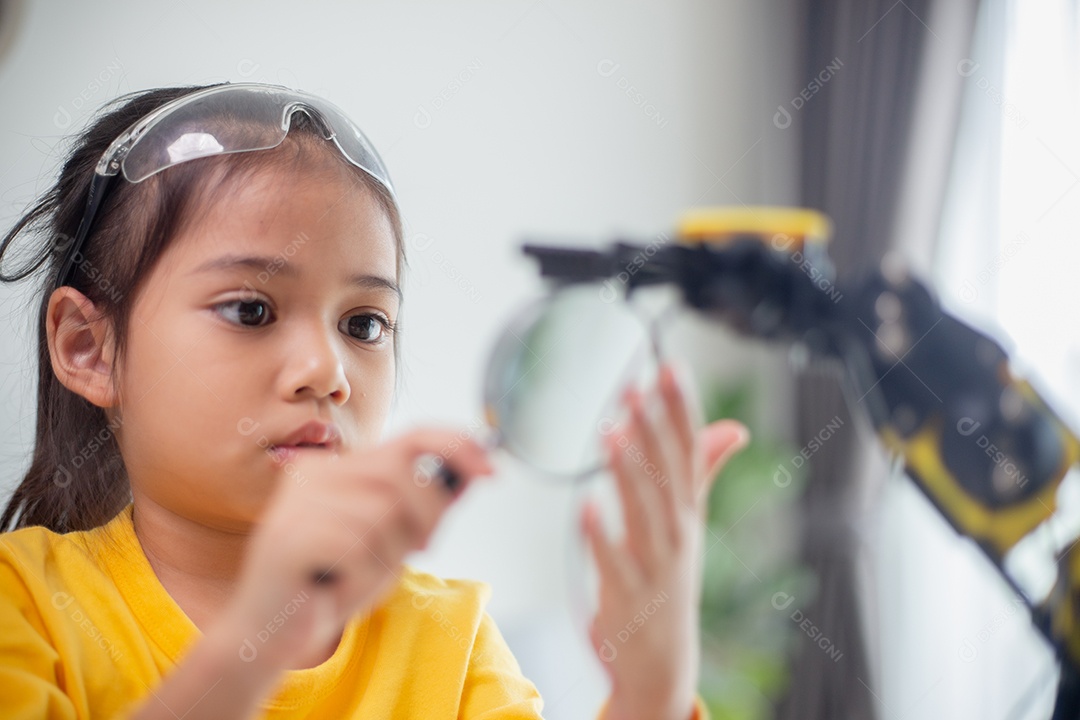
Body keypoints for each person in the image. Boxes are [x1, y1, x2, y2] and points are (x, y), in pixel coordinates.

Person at [0, 83, 749, 719]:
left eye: (363, 324)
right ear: (88, 348)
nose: (328, 371)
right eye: (251, 310)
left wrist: (651, 691)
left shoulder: (451, 640)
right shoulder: (24, 605)